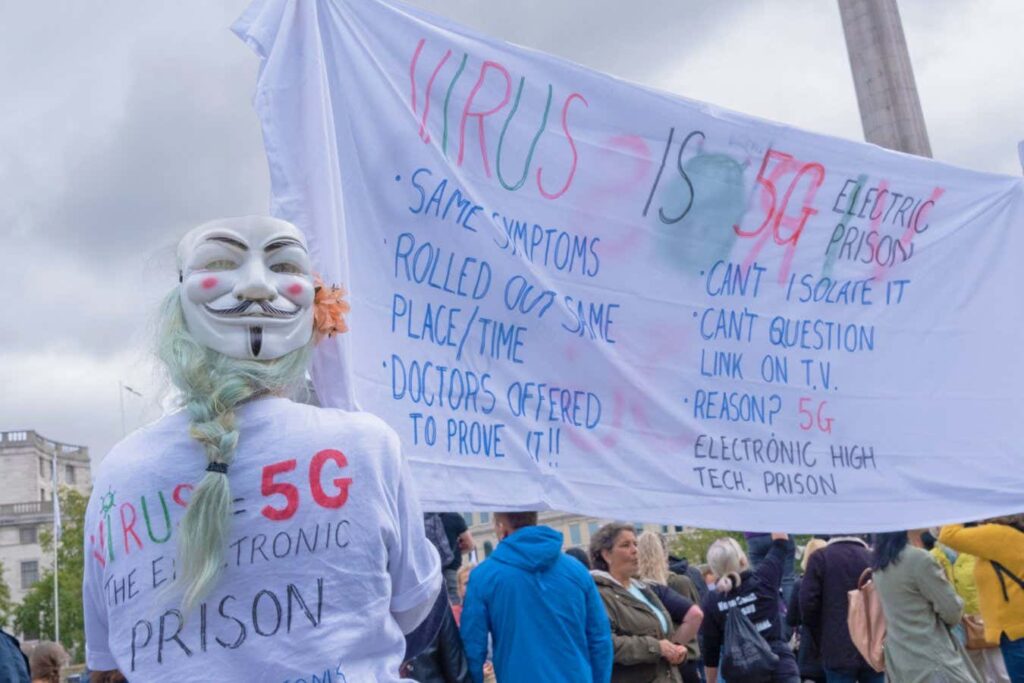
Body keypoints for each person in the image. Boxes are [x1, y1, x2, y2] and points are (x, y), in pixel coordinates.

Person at [82, 217, 443, 681]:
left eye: (278, 264)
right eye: (223, 262)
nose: (254, 285)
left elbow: (106, 662)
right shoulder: (367, 445)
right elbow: (416, 611)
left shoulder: (118, 474)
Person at [460, 511, 613, 683]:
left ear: (500, 525)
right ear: (535, 518)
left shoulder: (483, 576)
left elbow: (472, 649)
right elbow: (600, 640)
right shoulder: (577, 571)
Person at [871, 530, 981, 682]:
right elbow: (952, 610)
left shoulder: (880, 564)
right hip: (931, 653)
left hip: (899, 656)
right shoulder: (918, 559)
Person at [590, 522, 686, 683]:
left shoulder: (643, 588)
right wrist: (656, 647)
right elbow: (605, 643)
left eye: (636, 544)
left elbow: (661, 634)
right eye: (626, 545)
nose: (635, 550)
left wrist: (675, 650)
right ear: (606, 555)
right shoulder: (599, 594)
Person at [700, 533, 800, 683]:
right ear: (742, 559)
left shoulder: (711, 601)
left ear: (714, 570)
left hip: (742, 674)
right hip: (780, 669)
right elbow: (781, 542)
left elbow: (710, 650)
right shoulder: (764, 577)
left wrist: (711, 681)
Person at [940, 516, 1024, 682]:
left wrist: (960, 509)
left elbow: (948, 535)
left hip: (1015, 628)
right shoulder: (1013, 534)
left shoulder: (996, 534)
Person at [799, 535, 881, 683]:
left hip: (835, 647)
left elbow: (807, 604)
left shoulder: (820, 558)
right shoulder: (875, 558)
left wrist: (819, 635)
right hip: (873, 645)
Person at [636, 531, 704, 683]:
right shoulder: (680, 582)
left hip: (654, 659)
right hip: (685, 656)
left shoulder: (635, 586)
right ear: (664, 553)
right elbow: (697, 616)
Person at [788, 538, 827, 683]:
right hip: (831, 652)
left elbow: (791, 619)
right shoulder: (832, 584)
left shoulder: (800, 584)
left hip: (807, 653)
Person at [439, 512, 474, 606]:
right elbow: (470, 544)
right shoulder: (453, 517)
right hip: (451, 570)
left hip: (431, 573)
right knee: (455, 607)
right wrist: (456, 552)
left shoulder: (423, 517)